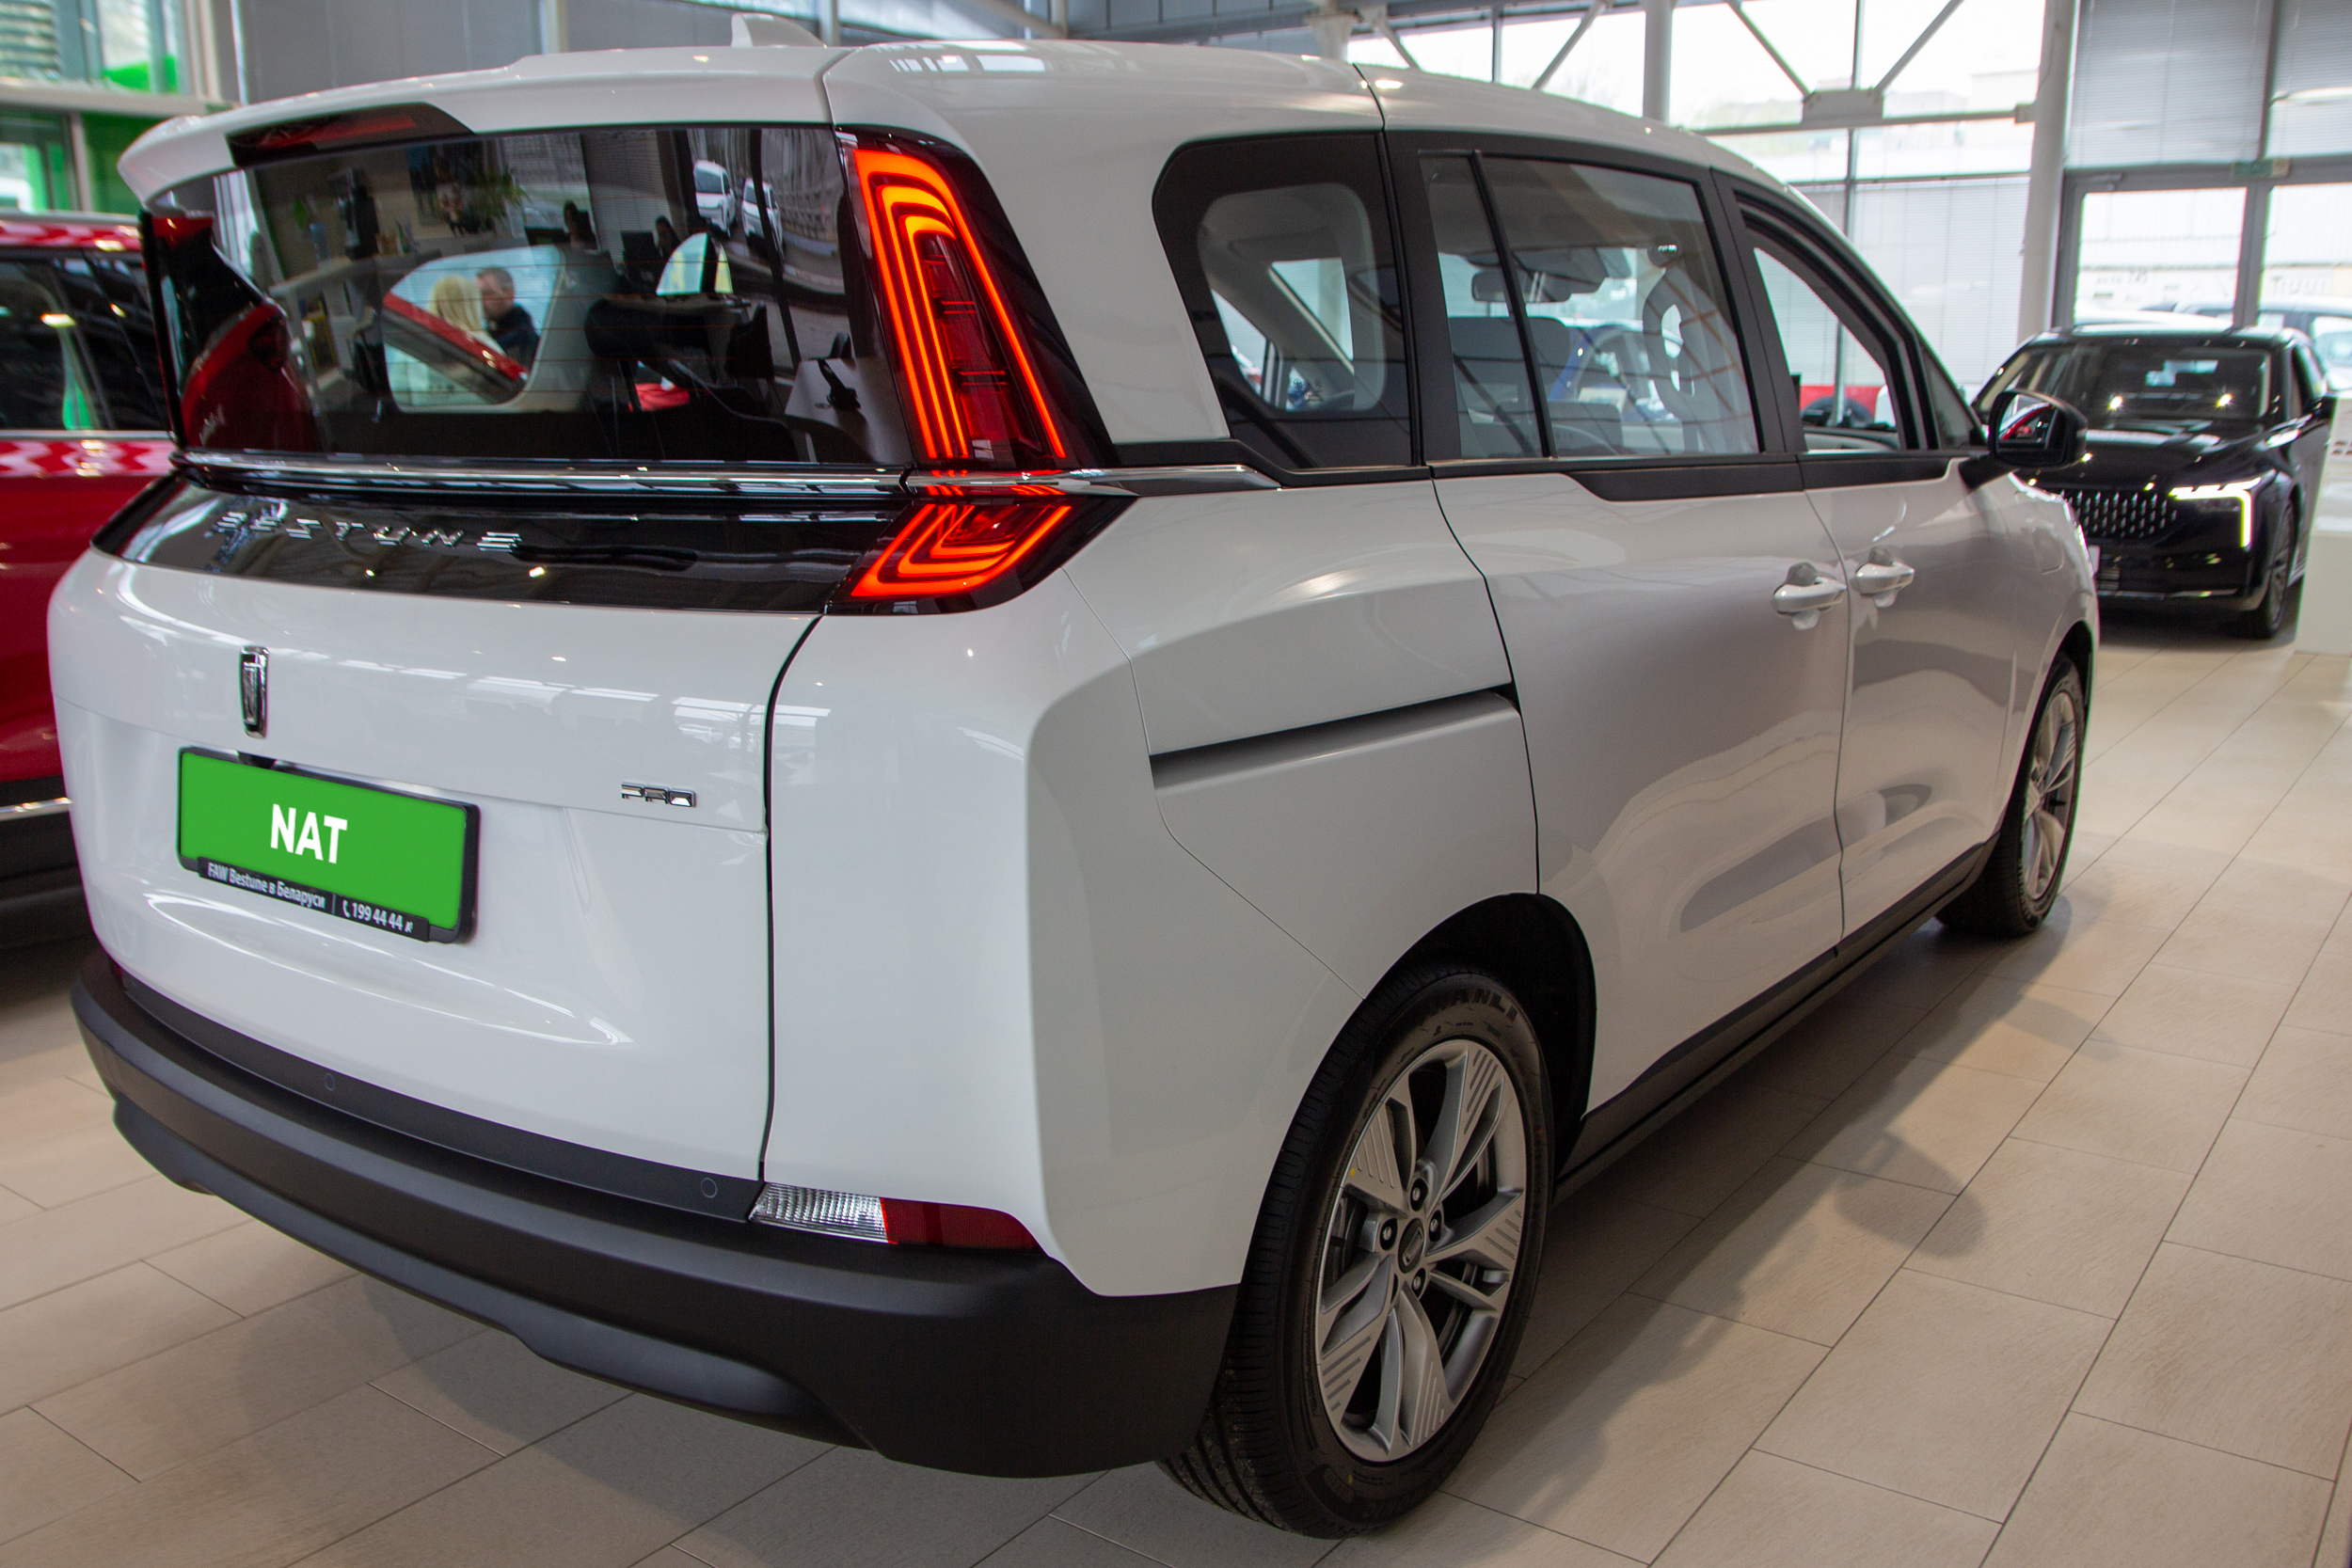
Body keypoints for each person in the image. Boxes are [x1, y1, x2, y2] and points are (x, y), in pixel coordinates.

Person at [476, 266, 539, 368]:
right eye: (477, 294)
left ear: (509, 295)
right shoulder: (488, 332)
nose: (481, 300)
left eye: (488, 293)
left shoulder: (523, 341)